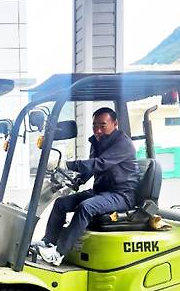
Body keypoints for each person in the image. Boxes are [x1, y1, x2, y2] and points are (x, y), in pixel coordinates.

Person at [36, 107, 140, 265]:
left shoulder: (123, 144)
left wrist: (67, 164)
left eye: (102, 125)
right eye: (94, 125)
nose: (98, 130)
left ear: (115, 124)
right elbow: (92, 168)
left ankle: (58, 253)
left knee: (86, 207)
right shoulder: (98, 142)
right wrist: (78, 180)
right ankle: (49, 241)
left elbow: (100, 163)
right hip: (102, 192)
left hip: (122, 195)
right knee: (61, 203)